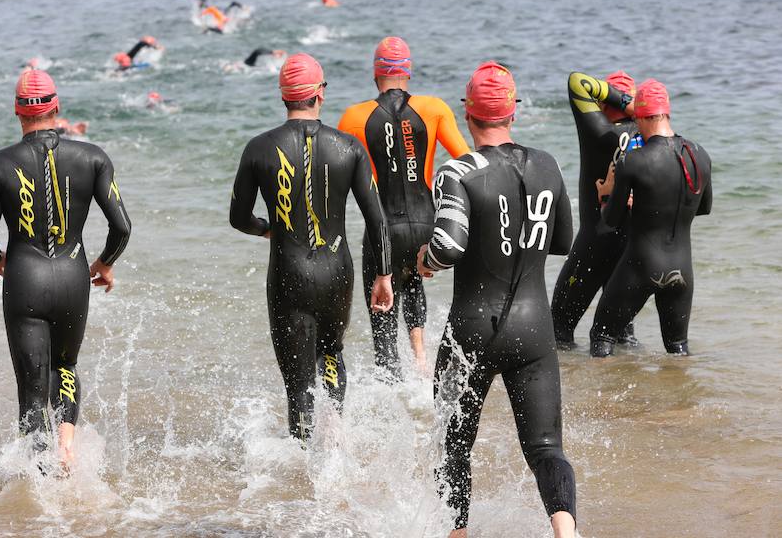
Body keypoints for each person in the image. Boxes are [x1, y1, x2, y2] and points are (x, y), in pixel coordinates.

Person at [417, 61, 576, 538]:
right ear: (514, 111)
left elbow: (448, 246)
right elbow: (564, 239)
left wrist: (424, 260)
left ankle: (458, 534)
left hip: (472, 331)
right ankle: (567, 533)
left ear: (468, 113)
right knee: (546, 448)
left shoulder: (457, 171)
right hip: (535, 330)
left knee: (453, 448)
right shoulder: (546, 164)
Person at [0, 69, 132, 470]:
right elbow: (122, 227)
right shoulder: (93, 157)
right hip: (74, 278)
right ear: (57, 108)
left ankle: (40, 483)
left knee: (31, 387)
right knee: (66, 366)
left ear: (17, 112)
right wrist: (105, 263)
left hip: (25, 280)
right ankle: (67, 450)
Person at [229, 53, 394, 440]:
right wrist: (384, 274)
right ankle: (334, 436)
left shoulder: (258, 148)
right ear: (320, 93)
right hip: (338, 271)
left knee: (298, 383)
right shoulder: (348, 147)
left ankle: (304, 467)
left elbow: (239, 218)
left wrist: (269, 230)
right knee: (332, 353)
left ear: (283, 95)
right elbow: (377, 219)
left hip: (289, 273)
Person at [338, 37, 469, 379]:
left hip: (383, 229)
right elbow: (469, 164)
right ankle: (422, 363)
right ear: (408, 72)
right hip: (428, 225)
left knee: (382, 309)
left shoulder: (354, 117)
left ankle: (392, 383)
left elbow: (337, 180)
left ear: (375, 73)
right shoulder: (436, 108)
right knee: (412, 282)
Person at [589, 79, 712, 357]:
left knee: (602, 337)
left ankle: (603, 402)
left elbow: (610, 221)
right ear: (666, 113)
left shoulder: (633, 161)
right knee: (677, 348)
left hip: (641, 266)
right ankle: (683, 400)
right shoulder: (699, 155)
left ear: (640, 116)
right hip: (682, 272)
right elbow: (703, 207)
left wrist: (606, 194)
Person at [551, 71, 639, 348]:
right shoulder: (649, 138)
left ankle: (576, 386)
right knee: (621, 338)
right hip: (631, 251)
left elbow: (577, 81)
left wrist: (623, 101)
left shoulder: (598, 130)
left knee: (558, 332)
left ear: (601, 104)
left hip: (595, 245)